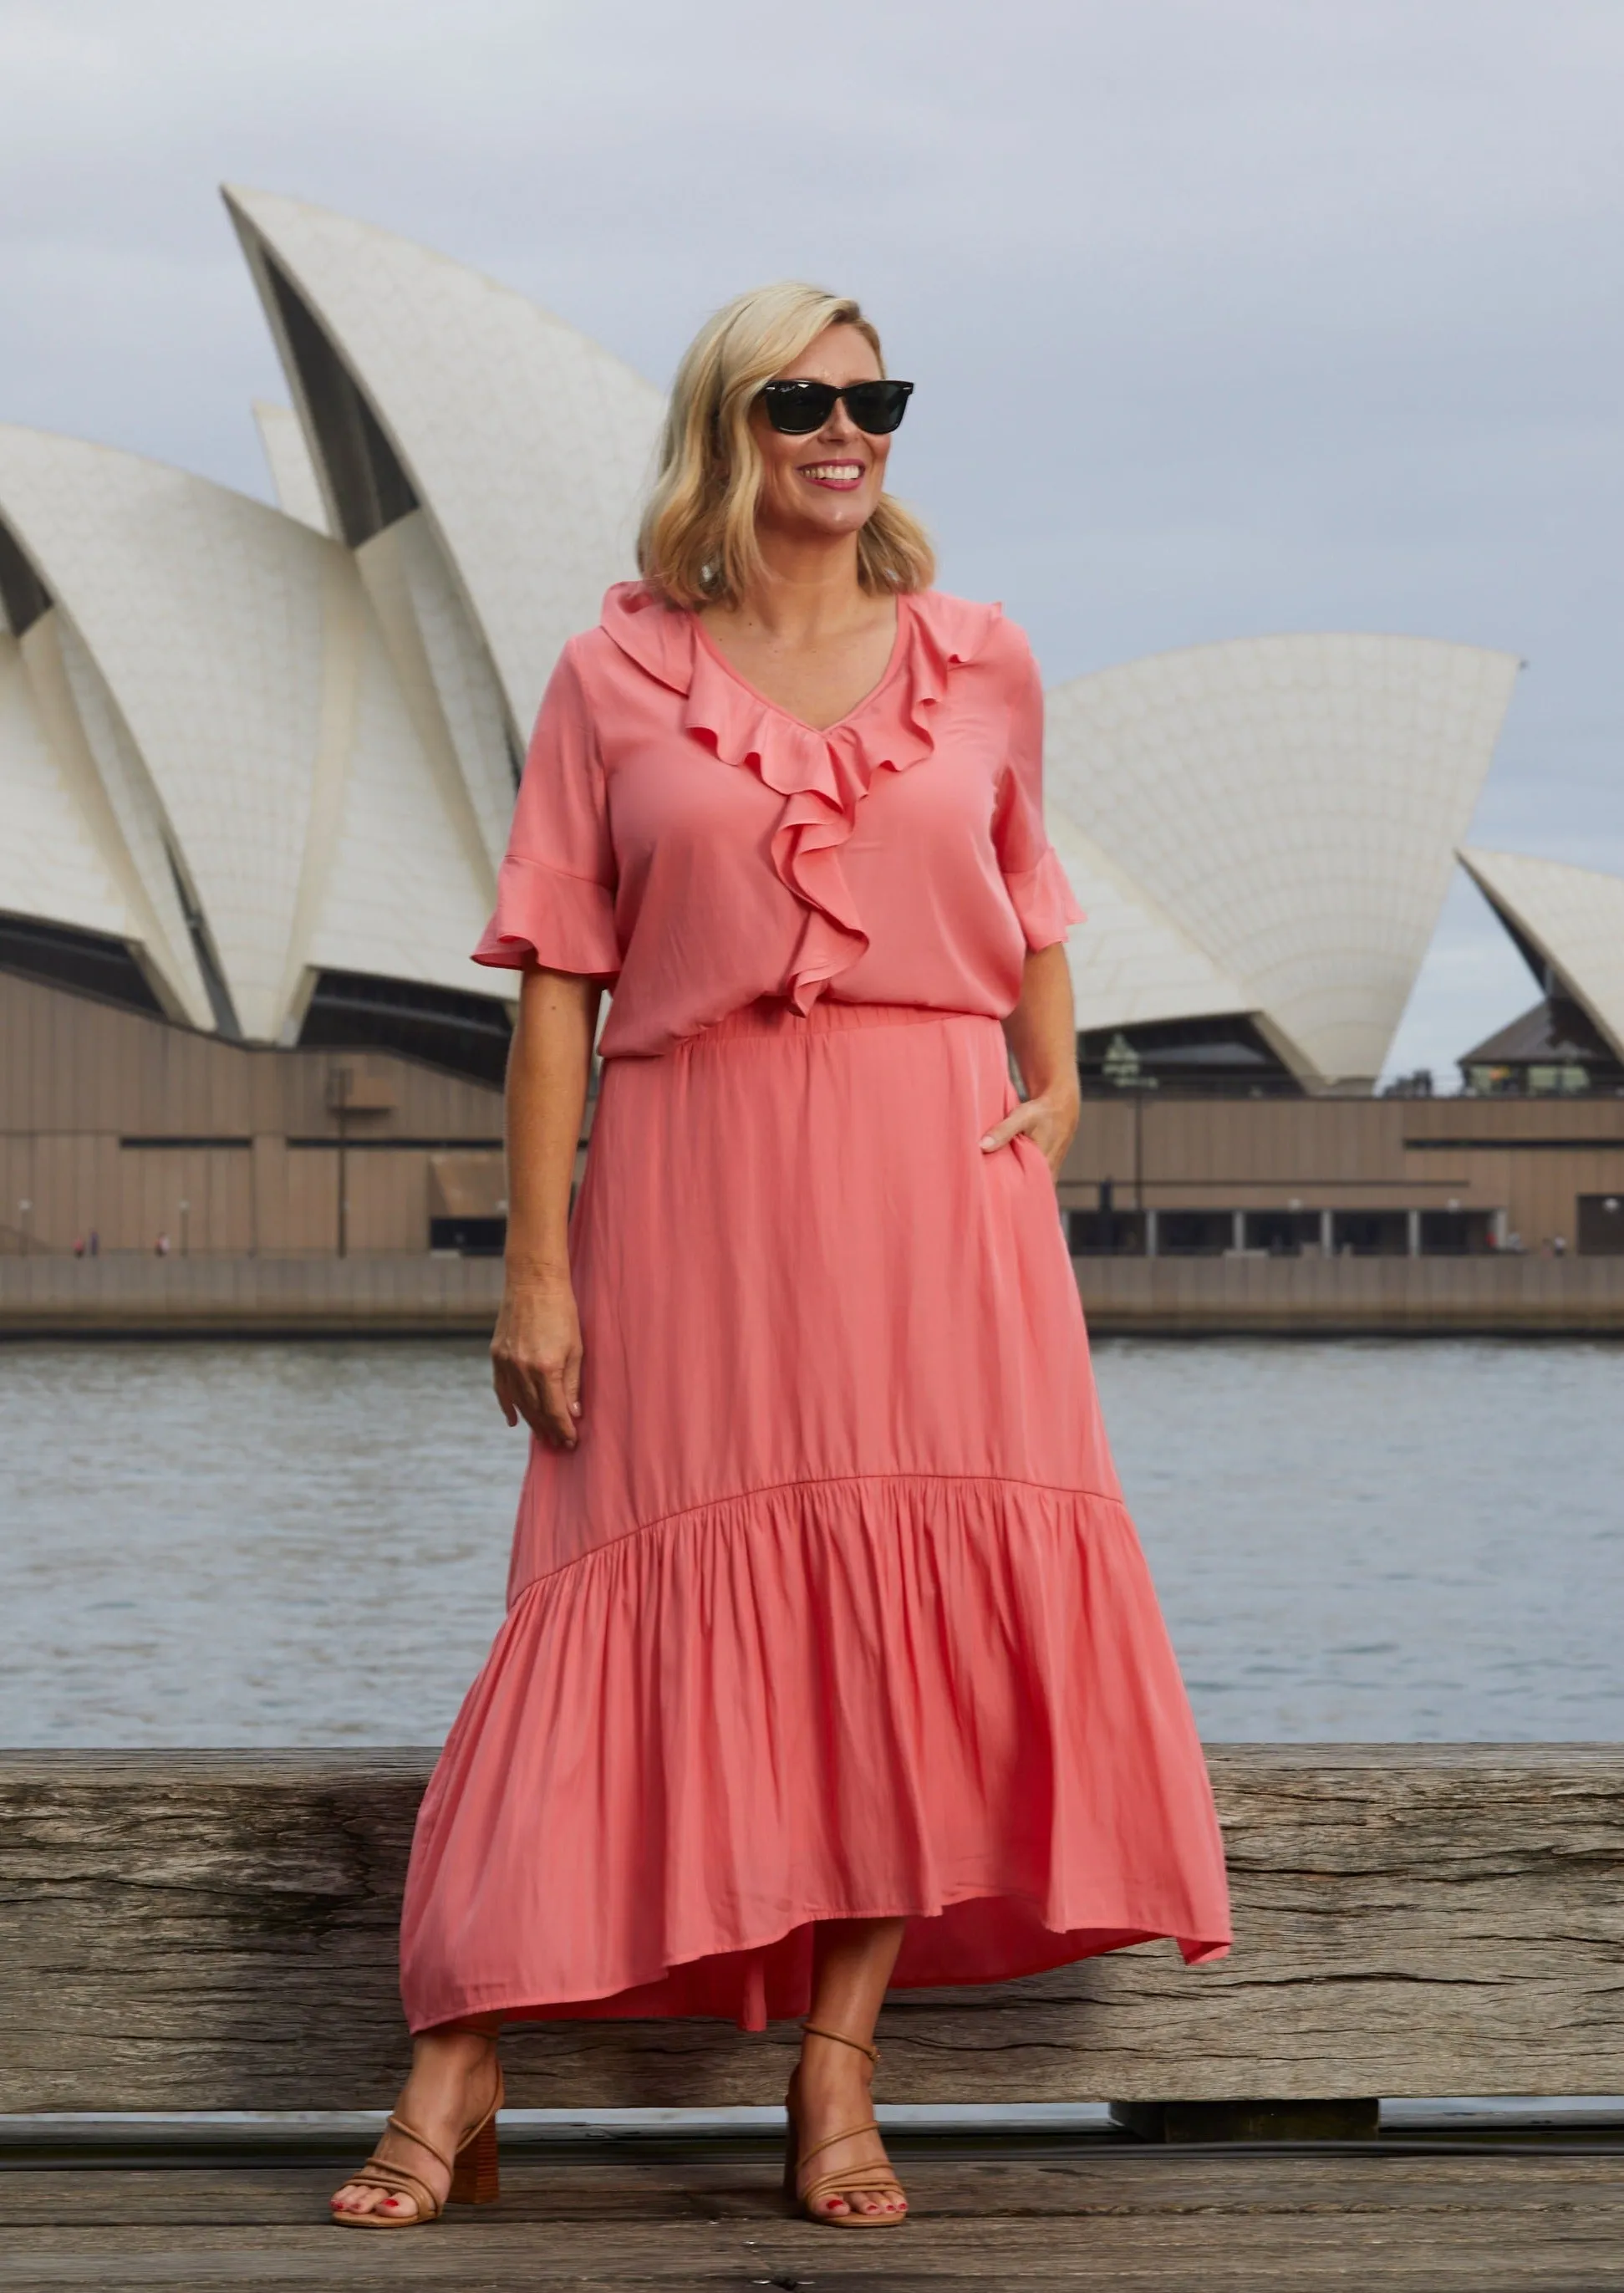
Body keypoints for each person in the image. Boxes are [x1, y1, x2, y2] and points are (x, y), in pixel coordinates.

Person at [331, 283, 1229, 2234]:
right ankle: (459, 2055)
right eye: (795, 399)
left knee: (904, 1619)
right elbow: (557, 985)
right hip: (686, 1181)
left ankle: (834, 2084)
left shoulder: (978, 658)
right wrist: (537, 1268)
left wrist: (1053, 1088)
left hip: (933, 1196)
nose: (843, 428)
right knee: (593, 1596)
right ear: (720, 429)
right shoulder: (609, 677)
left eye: (871, 395)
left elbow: (1028, 888)